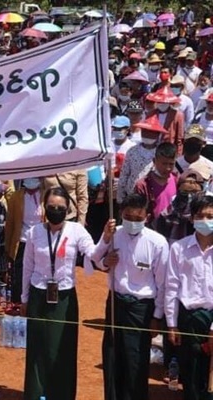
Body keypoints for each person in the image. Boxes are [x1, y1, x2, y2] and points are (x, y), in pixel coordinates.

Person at [21, 187, 114, 400]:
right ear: (44, 208)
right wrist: (24, 298)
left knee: (62, 348)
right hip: (38, 294)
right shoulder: (34, 232)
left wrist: (106, 238)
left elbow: (93, 254)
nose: (56, 210)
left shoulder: (76, 231)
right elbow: (27, 266)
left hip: (64, 297)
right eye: (51, 207)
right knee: (37, 348)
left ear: (68, 209)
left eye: (60, 208)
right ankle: (35, 394)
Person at [94, 193, 168, 400]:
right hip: (116, 302)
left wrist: (157, 316)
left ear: (147, 216)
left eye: (138, 219)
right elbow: (95, 260)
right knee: (112, 356)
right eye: (128, 217)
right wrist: (106, 256)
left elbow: (163, 283)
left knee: (135, 360)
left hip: (141, 308)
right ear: (120, 214)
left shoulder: (158, 243)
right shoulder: (113, 234)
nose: (133, 222)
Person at [165, 194, 213, 400]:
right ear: (192, 218)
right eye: (200, 216)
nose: (205, 221)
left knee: (209, 376)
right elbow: (171, 287)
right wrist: (172, 324)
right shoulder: (179, 248)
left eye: (211, 216)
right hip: (188, 321)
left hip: (211, 319)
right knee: (190, 373)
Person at [4, 177, 44, 303]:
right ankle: (18, 305)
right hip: (22, 241)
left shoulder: (46, 195)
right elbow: (10, 223)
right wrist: (8, 247)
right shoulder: (16, 197)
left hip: (40, 242)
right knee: (19, 276)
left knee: (39, 274)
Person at [117, 115, 169, 203]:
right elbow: (124, 174)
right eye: (145, 131)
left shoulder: (161, 153)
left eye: (151, 132)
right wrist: (120, 198)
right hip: (132, 195)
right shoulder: (132, 151)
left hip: (153, 196)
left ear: (158, 134)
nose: (148, 134)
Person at [134, 142, 178, 226]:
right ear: (154, 161)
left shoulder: (177, 180)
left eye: (171, 164)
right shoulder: (143, 185)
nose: (168, 168)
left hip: (172, 230)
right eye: (164, 164)